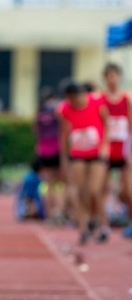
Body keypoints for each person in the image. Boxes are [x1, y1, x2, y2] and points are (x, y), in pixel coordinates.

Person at [57, 81, 109, 245]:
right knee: (79, 192)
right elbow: (64, 134)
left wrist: (105, 145)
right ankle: (83, 228)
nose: (74, 103)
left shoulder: (97, 103)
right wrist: (64, 159)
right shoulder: (65, 109)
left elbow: (107, 124)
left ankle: (102, 223)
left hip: (97, 153)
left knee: (94, 190)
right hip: (77, 153)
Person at [101, 63, 132, 238]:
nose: (112, 79)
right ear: (105, 78)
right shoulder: (100, 100)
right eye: (109, 76)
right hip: (106, 150)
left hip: (123, 151)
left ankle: (130, 221)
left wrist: (130, 153)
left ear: (120, 78)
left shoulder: (127, 99)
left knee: (127, 190)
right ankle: (103, 224)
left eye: (115, 75)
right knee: (102, 188)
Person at [34, 87, 63, 222]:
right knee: (60, 183)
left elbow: (36, 132)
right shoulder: (57, 111)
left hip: (44, 149)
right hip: (56, 148)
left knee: (49, 183)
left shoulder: (39, 113)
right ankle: (58, 212)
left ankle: (50, 214)